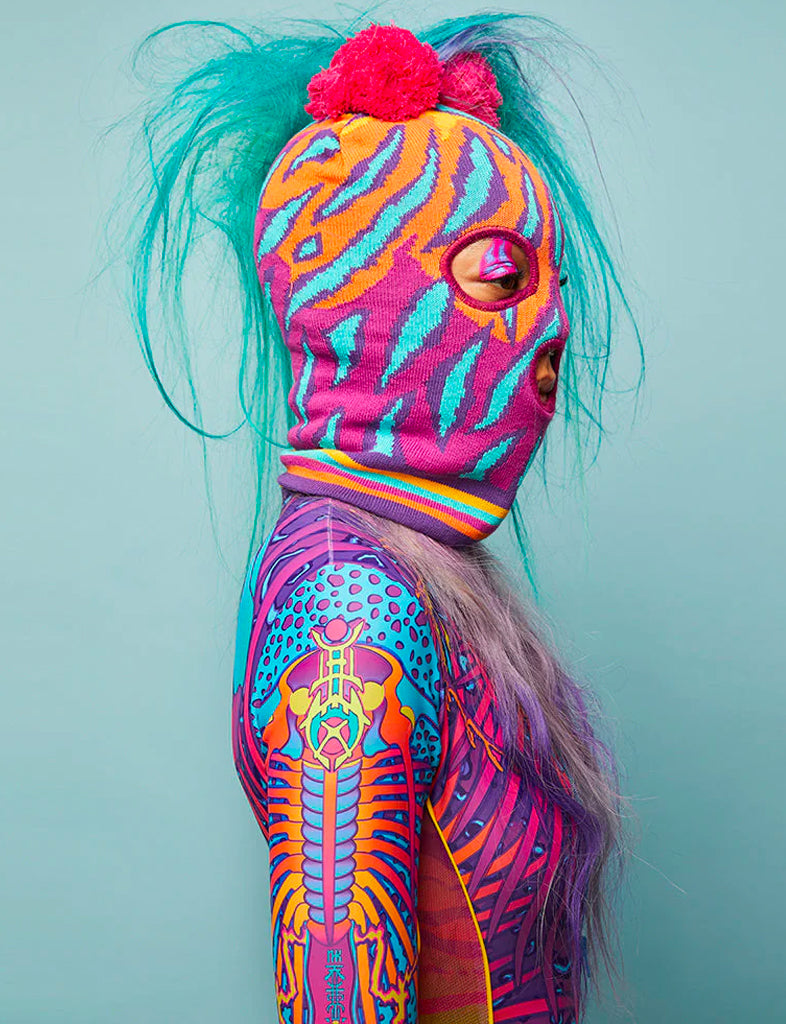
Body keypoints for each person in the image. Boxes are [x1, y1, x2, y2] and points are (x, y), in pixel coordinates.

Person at [125, 15, 639, 1023]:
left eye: (553, 283)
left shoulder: (412, 575)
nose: (551, 326)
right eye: (502, 275)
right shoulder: (350, 605)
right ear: (364, 301)